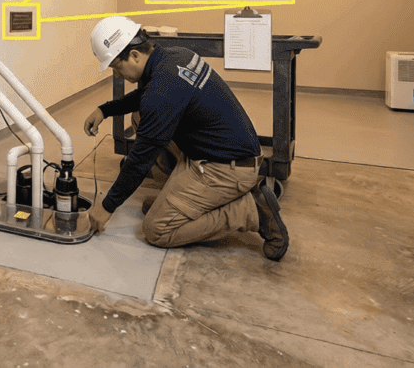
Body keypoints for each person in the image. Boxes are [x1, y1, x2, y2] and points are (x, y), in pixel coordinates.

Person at [82, 16, 290, 261]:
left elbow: (140, 160)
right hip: (225, 150)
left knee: (156, 230)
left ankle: (250, 210)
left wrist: (106, 207)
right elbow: (146, 96)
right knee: (142, 117)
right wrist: (105, 109)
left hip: (227, 169)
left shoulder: (161, 90)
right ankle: (178, 203)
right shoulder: (174, 56)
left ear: (135, 55)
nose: (117, 74)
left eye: (116, 67)